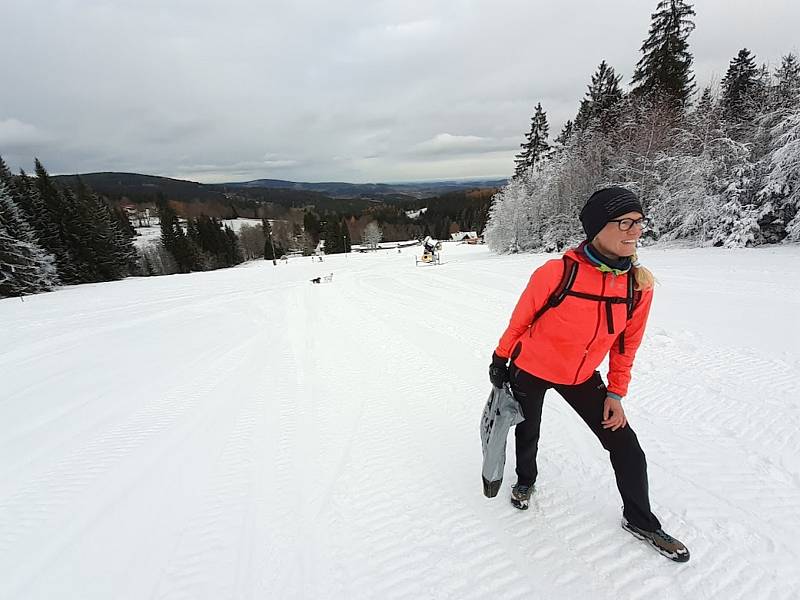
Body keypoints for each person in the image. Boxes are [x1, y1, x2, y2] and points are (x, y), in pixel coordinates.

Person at [489, 187, 689, 562]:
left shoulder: (637, 285)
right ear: (597, 227)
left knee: (626, 446)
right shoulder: (557, 273)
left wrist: (616, 394)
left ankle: (641, 520)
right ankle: (526, 481)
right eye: (625, 222)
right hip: (530, 367)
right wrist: (500, 359)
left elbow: (626, 345)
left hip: (581, 376)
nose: (635, 230)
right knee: (527, 428)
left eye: (639, 222)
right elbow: (521, 320)